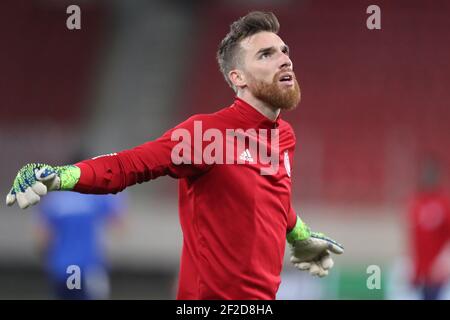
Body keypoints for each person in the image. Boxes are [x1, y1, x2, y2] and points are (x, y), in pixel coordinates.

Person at [6, 11, 343, 299]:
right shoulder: (205, 135)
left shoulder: (283, 136)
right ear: (237, 78)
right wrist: (60, 175)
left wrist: (300, 237)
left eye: (284, 50)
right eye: (266, 54)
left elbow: (274, 196)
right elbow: (128, 165)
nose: (285, 58)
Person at [33, 190, 126, 300]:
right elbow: (118, 225)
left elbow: (42, 238)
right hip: (89, 267)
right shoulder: (97, 194)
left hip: (61, 268)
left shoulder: (55, 198)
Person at [408, 156, 450, 300]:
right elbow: (414, 240)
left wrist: (445, 261)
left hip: (440, 273)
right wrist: (415, 269)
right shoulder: (416, 203)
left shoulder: (445, 203)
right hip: (423, 273)